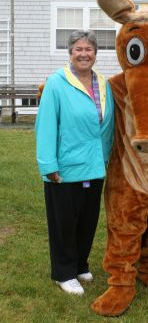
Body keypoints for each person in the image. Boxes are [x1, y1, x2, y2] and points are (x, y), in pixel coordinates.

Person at [36, 30, 114, 295]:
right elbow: (45, 125)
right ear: (70, 53)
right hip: (65, 168)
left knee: (87, 220)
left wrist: (107, 158)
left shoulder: (103, 83)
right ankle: (63, 272)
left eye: (89, 49)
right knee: (64, 223)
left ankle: (80, 265)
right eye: (78, 49)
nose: (84, 54)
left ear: (95, 53)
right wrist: (49, 165)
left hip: (94, 166)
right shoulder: (57, 83)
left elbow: (108, 126)